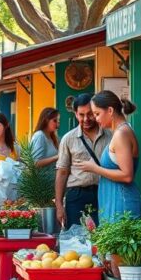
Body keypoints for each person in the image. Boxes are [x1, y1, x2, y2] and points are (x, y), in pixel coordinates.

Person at [75, 91, 141, 223]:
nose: (95, 118)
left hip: (121, 204)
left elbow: (127, 176)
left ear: (110, 110)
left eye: (97, 114)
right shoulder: (121, 131)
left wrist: (95, 168)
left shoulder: (121, 134)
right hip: (116, 201)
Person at [55, 94, 112, 229]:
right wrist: (59, 206)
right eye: (81, 115)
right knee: (77, 240)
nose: (86, 119)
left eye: (90, 114)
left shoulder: (111, 136)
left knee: (104, 237)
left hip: (104, 193)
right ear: (75, 114)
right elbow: (62, 172)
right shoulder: (68, 139)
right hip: (77, 195)